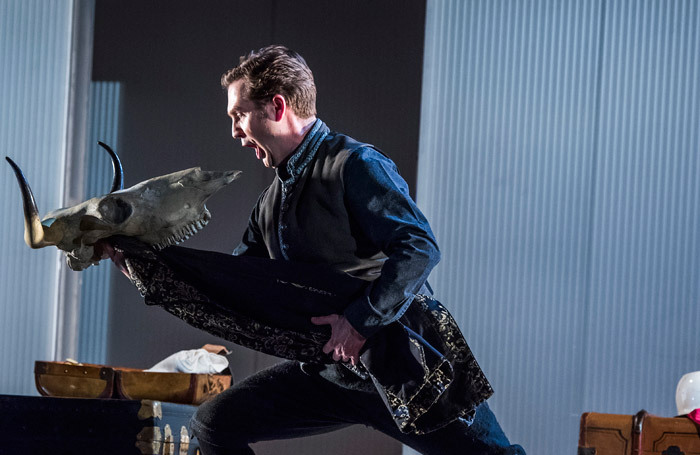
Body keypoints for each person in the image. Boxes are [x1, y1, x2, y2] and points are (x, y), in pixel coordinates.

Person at [185, 45, 526, 455]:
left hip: (404, 366)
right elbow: (236, 279)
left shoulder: (355, 164)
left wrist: (359, 323)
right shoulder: (271, 202)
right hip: (330, 374)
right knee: (214, 424)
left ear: (277, 106)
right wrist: (144, 262)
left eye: (239, 114)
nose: (235, 131)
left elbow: (418, 247)